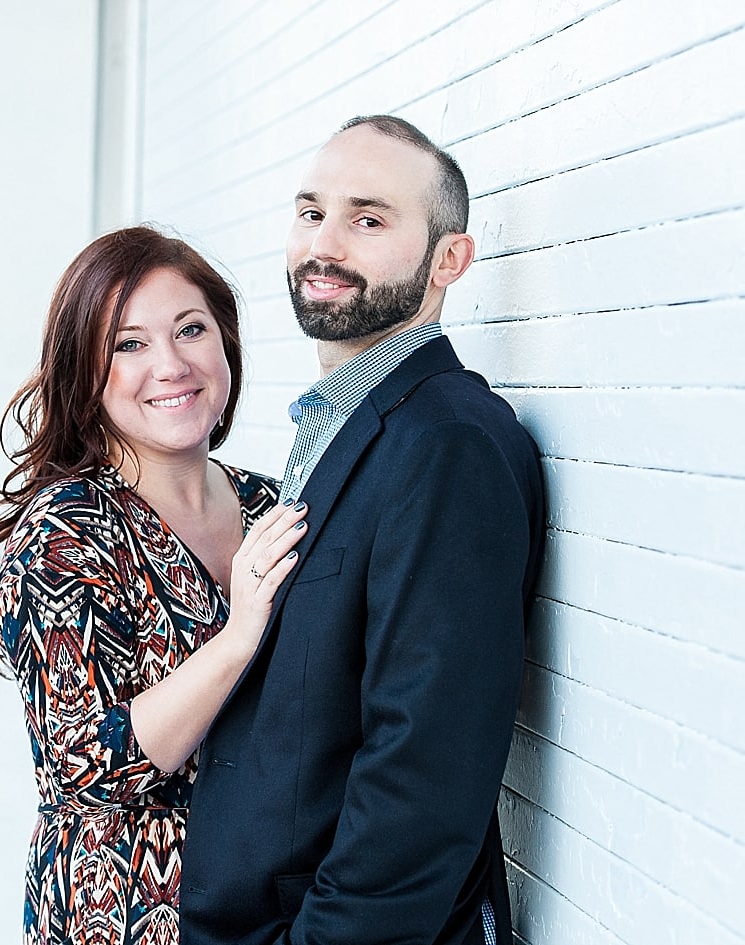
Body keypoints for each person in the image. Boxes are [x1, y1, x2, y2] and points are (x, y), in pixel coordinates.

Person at [179, 116, 546, 945]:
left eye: (369, 220)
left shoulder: (449, 445)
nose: (326, 244)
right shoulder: (341, 429)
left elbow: (424, 771)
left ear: (450, 260)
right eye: (312, 213)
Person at [0, 225, 310, 945]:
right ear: (84, 372)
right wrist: (238, 634)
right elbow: (82, 766)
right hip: (126, 914)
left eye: (191, 329)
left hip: (270, 911)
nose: (171, 364)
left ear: (227, 344)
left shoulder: (272, 506)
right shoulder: (65, 536)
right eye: (129, 344)